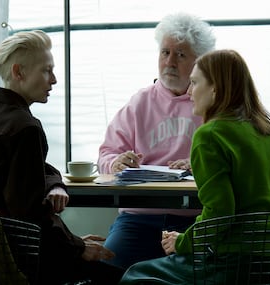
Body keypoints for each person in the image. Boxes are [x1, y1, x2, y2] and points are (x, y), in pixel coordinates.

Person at [118, 49, 270, 284]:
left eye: (195, 83)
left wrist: (183, 243)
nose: (188, 91)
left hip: (227, 266)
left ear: (215, 88)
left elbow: (221, 211)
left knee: (135, 274)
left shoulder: (209, 135)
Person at [0, 30, 124, 285]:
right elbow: (30, 218)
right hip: (22, 259)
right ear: (19, 72)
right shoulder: (24, 127)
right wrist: (78, 247)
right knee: (121, 277)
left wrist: (55, 185)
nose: (55, 79)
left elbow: (35, 173)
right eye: (46, 70)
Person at [97, 13, 216, 269]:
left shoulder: (213, 104)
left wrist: (204, 164)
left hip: (195, 218)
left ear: (200, 62)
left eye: (181, 55)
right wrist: (115, 162)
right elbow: (106, 153)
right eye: (165, 53)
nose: (169, 62)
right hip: (138, 219)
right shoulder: (140, 102)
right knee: (106, 269)